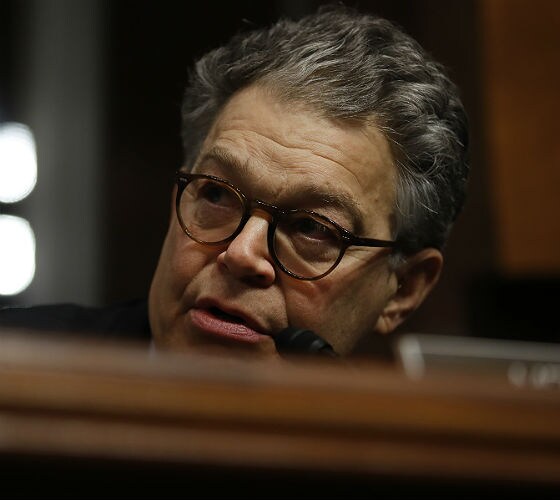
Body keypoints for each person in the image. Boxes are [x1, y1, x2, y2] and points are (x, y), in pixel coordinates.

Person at [0, 5, 469, 360]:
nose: (242, 254)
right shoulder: (18, 366)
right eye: (216, 194)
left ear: (403, 288)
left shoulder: (417, 454)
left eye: (311, 227)